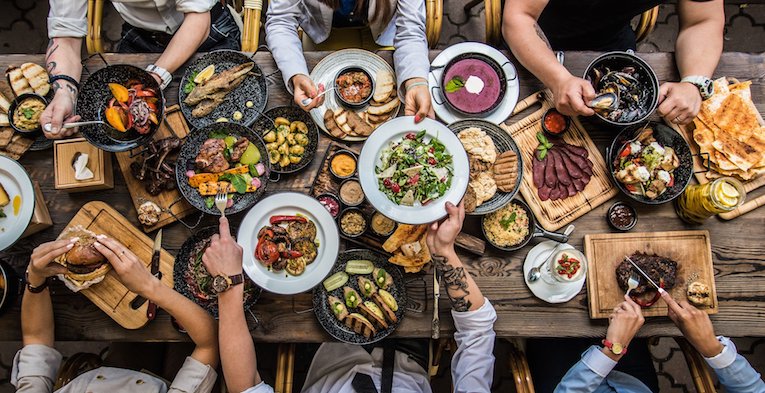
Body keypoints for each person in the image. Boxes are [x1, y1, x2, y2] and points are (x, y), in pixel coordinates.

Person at [202, 202, 497, 392]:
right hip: (410, 355)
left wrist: (229, 285)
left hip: (330, 352)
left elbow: (245, 386)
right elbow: (478, 331)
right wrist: (444, 251)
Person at [11, 237, 219, 392]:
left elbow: (36, 338)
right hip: (170, 382)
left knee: (134, 343)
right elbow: (208, 343)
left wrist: (35, 278)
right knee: (180, 341)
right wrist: (149, 287)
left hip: (110, 373)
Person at [502, 0, 724, 125]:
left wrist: (694, 81)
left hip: (611, 38)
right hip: (536, 36)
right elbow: (519, 18)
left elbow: (702, 21)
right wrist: (558, 79)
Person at [41, 0, 241, 139]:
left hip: (208, 32)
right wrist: (64, 93)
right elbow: (64, 38)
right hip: (141, 37)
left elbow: (198, 21)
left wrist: (154, 79)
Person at [552, 290, 765, 392]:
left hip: (562, 381)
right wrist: (711, 348)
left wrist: (612, 351)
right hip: (633, 384)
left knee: (551, 323)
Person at [265, 0, 433, 122]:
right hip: (323, 36)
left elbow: (410, 30)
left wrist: (415, 81)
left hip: (382, 35)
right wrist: (296, 73)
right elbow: (281, 21)